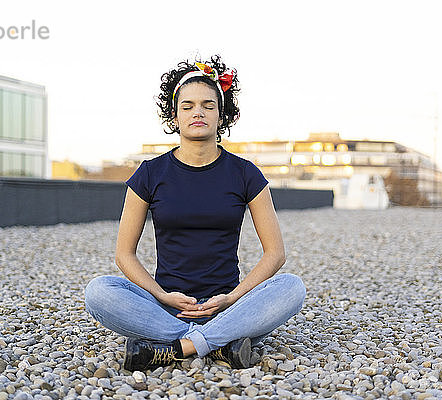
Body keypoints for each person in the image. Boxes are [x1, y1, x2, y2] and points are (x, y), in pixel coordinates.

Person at [84, 55, 306, 372]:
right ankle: (218, 345)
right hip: (165, 307)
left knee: (292, 287)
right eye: (187, 106)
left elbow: (275, 253)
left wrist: (232, 299)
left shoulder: (245, 174)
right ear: (174, 115)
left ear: (221, 114)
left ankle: (179, 347)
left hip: (228, 305)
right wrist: (162, 295)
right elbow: (124, 255)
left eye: (207, 105)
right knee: (98, 291)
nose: (197, 112)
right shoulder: (149, 174)